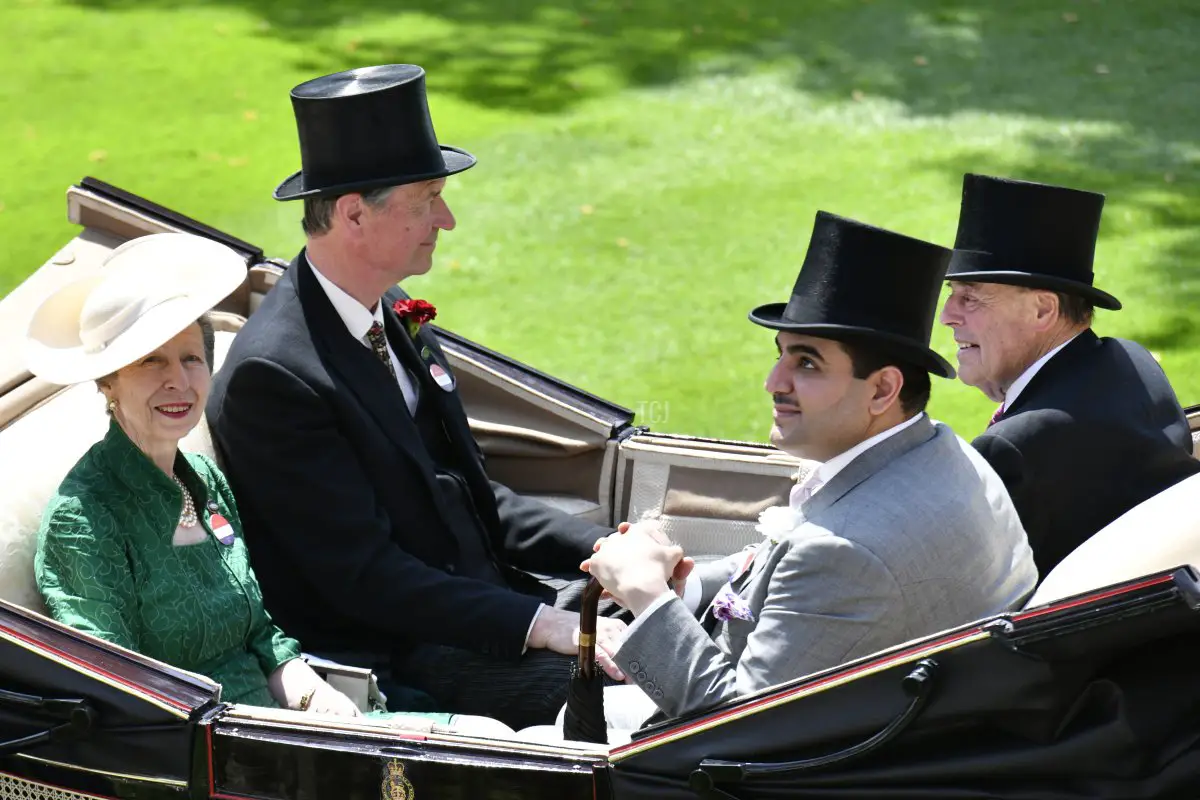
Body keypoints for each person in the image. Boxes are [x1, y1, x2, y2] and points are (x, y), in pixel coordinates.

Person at [206, 64, 625, 731]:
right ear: (352, 215)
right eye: (428, 197)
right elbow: (364, 578)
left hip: (479, 606)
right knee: (634, 702)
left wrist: (607, 548)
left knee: (677, 624)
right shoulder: (275, 378)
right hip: (399, 653)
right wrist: (541, 623)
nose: (448, 218)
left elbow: (466, 493)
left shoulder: (391, 309)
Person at [578, 212, 1037, 730]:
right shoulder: (943, 452)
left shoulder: (846, 551)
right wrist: (685, 589)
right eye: (780, 356)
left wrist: (647, 595)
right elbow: (801, 597)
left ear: (883, 390)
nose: (774, 382)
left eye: (808, 363)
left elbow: (736, 725)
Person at [26, 232, 497, 732]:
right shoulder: (84, 518)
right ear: (107, 382)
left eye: (190, 358)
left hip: (281, 721)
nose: (179, 382)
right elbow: (121, 694)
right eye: (150, 361)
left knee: (498, 738)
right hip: (210, 753)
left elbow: (259, 632)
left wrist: (312, 693)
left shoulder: (205, 478)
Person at [939, 174, 1200, 576]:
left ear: (1043, 310)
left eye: (970, 298)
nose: (947, 316)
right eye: (950, 295)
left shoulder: (1013, 449)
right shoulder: (1132, 362)